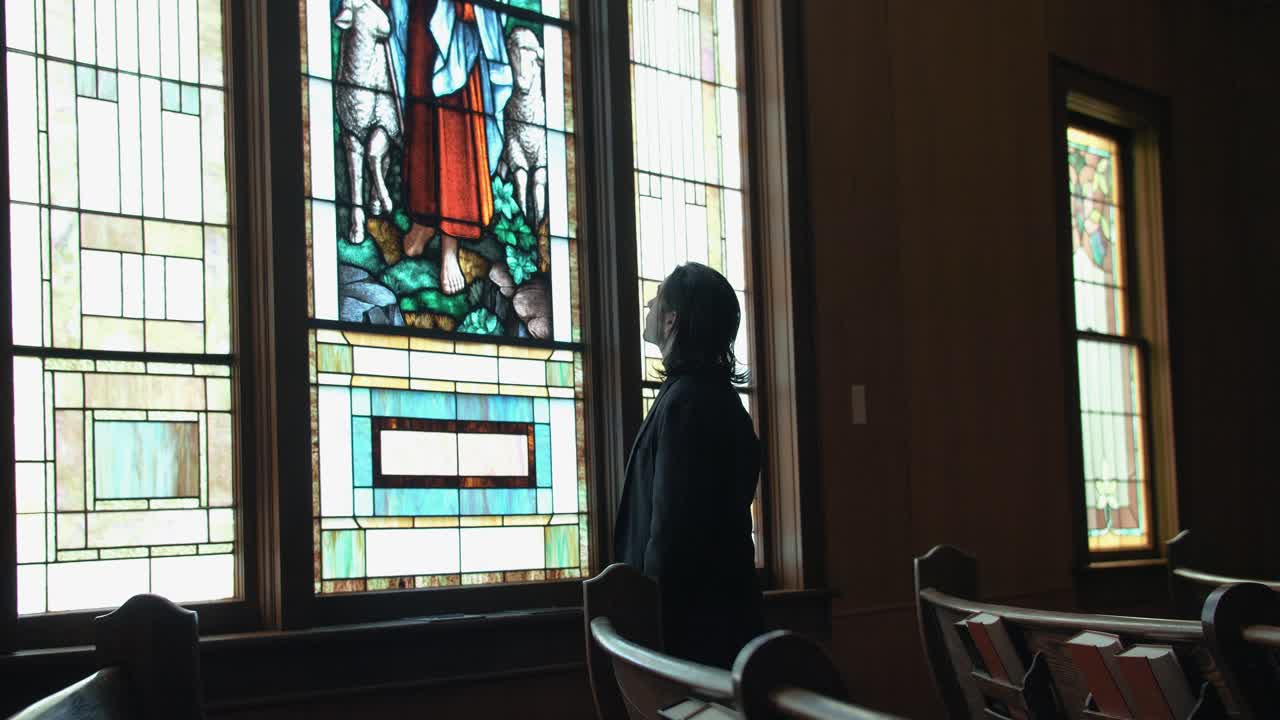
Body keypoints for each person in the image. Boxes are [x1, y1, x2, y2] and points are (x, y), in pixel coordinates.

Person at [613, 263, 764, 669]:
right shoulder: (700, 398)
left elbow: (671, 538)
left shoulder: (690, 405)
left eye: (657, 296)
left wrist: (651, 638)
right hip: (702, 630)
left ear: (671, 319)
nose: (647, 302)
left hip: (692, 639)